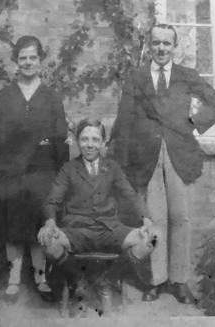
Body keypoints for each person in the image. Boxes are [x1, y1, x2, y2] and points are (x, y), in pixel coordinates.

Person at [110, 24, 215, 303]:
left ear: (176, 47)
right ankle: (156, 279)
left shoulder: (187, 76)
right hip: (146, 156)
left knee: (180, 217)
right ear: (149, 46)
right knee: (154, 218)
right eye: (156, 43)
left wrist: (193, 123)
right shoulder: (136, 78)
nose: (161, 48)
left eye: (167, 43)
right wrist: (120, 163)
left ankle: (179, 280)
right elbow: (124, 121)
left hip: (180, 154)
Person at [38, 118, 160, 316]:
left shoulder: (112, 168)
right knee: (45, 240)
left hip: (109, 230)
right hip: (77, 230)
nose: (90, 145)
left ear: (103, 143)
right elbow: (52, 201)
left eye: (95, 139)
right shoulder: (68, 169)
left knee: (152, 239)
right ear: (78, 142)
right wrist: (50, 222)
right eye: (85, 139)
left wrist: (147, 221)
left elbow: (130, 196)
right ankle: (80, 284)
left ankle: (107, 282)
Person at [0, 35, 69, 303]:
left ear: (40, 60)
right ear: (16, 62)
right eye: (23, 58)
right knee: (13, 227)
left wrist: (62, 178)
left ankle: (41, 278)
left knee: (39, 225)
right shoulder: (5, 96)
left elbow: (60, 139)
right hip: (11, 173)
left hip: (43, 174)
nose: (28, 62)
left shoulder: (52, 97)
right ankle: (14, 279)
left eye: (33, 57)